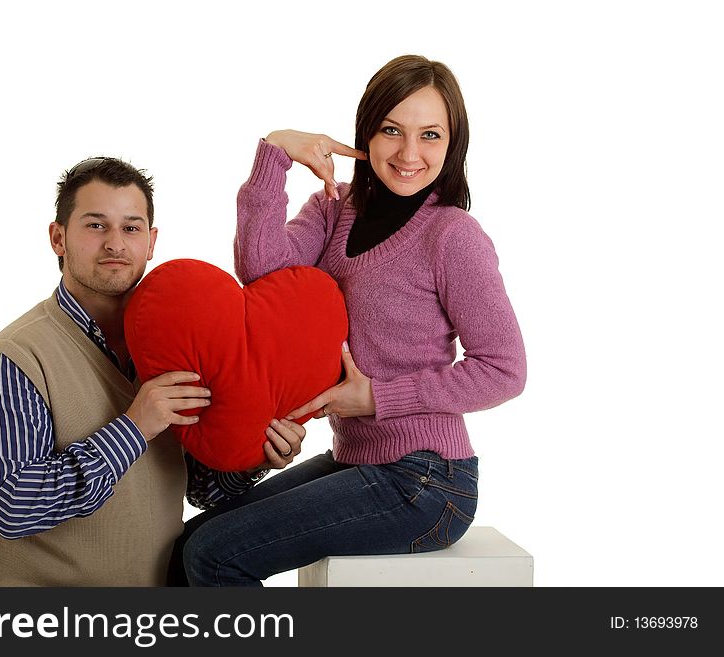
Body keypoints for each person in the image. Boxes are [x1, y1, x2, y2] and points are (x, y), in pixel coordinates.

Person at [169, 55, 527, 586]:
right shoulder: (337, 209)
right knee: (187, 548)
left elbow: (505, 370)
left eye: (430, 135)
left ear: (453, 145)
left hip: (428, 481)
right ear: (366, 134)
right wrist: (276, 154)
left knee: (215, 558)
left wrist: (378, 398)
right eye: (391, 131)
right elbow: (261, 269)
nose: (409, 153)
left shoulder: (452, 236)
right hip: (357, 459)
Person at [0, 156, 305, 586]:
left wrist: (254, 456)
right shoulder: (15, 359)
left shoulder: (181, 346)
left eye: (131, 228)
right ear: (58, 238)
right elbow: (15, 508)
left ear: (151, 243)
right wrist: (134, 427)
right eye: (96, 225)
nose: (116, 243)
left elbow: (202, 490)